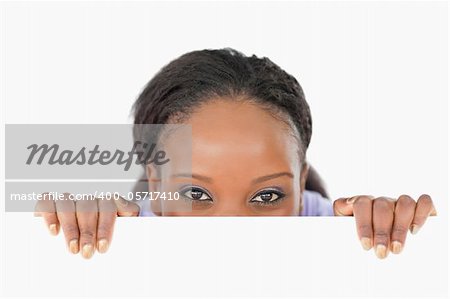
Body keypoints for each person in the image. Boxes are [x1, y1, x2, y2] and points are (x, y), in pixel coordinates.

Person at [35, 48, 436, 260]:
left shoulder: (336, 227)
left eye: (267, 196)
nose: (232, 229)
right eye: (195, 194)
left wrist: (400, 228)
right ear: (155, 183)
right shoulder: (123, 226)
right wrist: (68, 223)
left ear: (299, 182)